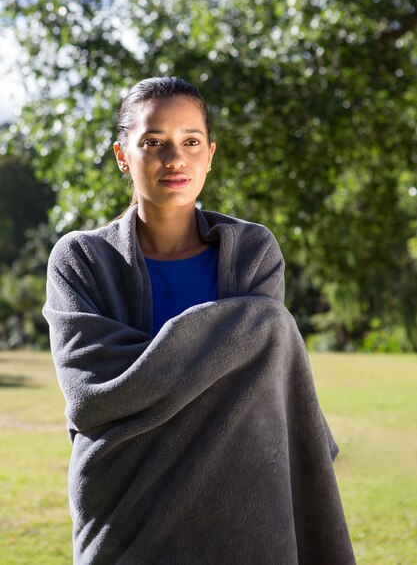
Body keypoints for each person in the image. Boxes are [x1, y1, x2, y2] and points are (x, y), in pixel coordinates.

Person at [43, 77, 355, 564]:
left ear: (210, 154)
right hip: (124, 511)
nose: (175, 159)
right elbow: (93, 392)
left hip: (245, 507)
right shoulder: (81, 259)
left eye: (190, 142)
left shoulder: (252, 251)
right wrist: (235, 335)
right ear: (123, 155)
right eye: (153, 142)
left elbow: (257, 390)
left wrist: (160, 365)